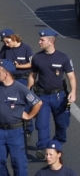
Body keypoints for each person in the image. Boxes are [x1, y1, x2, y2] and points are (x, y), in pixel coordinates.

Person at [0, 60, 42, 176]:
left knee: (19, 164)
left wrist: (29, 115)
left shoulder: (20, 89)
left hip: (15, 132)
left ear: (6, 74)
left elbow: (38, 103)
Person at [28, 29, 76, 160]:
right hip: (42, 97)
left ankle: (57, 143)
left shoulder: (63, 58)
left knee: (62, 123)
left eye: (42, 40)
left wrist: (73, 92)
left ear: (51, 41)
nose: (39, 42)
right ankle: (44, 149)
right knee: (41, 123)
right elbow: (33, 75)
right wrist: (27, 91)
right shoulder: (37, 58)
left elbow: (71, 76)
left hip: (59, 97)